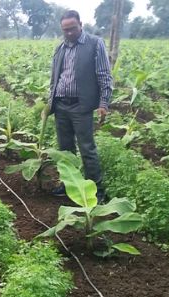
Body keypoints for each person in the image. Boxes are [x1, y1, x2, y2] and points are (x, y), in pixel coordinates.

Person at [48, 9, 113, 204]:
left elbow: (104, 75)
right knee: (65, 149)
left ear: (81, 25)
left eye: (72, 28)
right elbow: (55, 77)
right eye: (65, 30)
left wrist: (103, 103)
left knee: (87, 149)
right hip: (61, 105)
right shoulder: (60, 48)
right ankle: (70, 185)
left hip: (81, 106)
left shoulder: (94, 44)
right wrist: (51, 100)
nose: (69, 33)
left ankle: (97, 190)